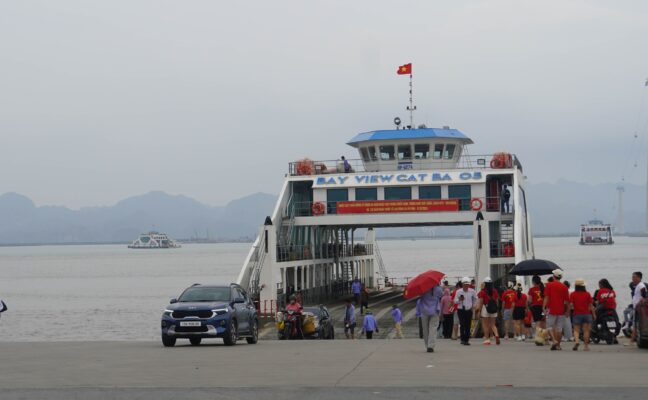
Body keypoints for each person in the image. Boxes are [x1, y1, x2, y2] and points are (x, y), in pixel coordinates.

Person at [543, 269, 570, 351]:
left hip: (551, 309)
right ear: (560, 277)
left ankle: (554, 340)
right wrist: (567, 311)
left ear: (553, 276)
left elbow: (546, 297)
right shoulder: (564, 287)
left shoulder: (549, 285)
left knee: (549, 326)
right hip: (561, 310)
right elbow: (567, 301)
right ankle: (558, 345)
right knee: (559, 328)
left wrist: (543, 307)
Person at [569, 279, 595, 351]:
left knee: (576, 330)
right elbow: (591, 305)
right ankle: (586, 346)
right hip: (587, 314)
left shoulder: (573, 294)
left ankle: (577, 341)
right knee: (586, 331)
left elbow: (571, 305)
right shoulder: (587, 294)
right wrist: (594, 314)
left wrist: (569, 311)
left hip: (577, 314)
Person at [476, 277, 500, 345]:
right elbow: (497, 301)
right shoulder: (495, 291)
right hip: (494, 309)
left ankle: (487, 339)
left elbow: (481, 302)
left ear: (485, 284)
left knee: (485, 325)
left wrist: (479, 311)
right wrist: (496, 308)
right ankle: (497, 335)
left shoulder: (482, 292)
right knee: (493, 325)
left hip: (485, 308)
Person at [420, 284, 444, 352]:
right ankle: (431, 346)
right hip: (435, 310)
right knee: (433, 328)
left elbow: (419, 295)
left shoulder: (423, 289)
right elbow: (441, 295)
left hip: (424, 310)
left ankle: (427, 345)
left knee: (425, 329)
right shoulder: (438, 289)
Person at [454, 277, 477, 346]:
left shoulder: (472, 291)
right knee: (462, 324)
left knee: (468, 325)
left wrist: (473, 306)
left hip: (469, 309)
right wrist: (459, 299)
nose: (466, 286)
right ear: (462, 285)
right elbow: (455, 301)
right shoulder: (458, 291)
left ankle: (466, 340)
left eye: (467, 284)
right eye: (465, 284)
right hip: (461, 309)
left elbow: (475, 299)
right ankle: (462, 339)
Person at [630, 271, 646, 345]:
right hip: (636, 307)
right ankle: (633, 340)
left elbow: (644, 296)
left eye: (634, 277)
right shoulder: (638, 285)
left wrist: (639, 303)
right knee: (635, 323)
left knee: (635, 323)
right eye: (632, 277)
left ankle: (632, 341)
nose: (632, 279)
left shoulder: (641, 286)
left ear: (639, 278)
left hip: (638, 308)